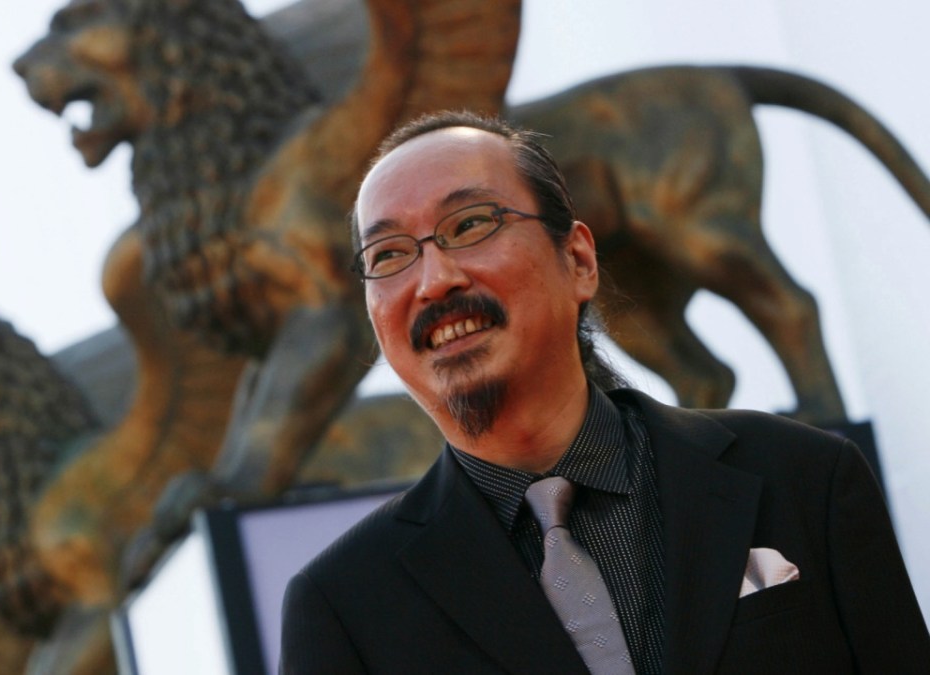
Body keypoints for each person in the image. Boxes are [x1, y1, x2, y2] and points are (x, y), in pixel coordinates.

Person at [279, 110, 930, 674]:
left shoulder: (803, 478)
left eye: (471, 223)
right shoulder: (344, 605)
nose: (434, 280)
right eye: (389, 255)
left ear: (579, 261)